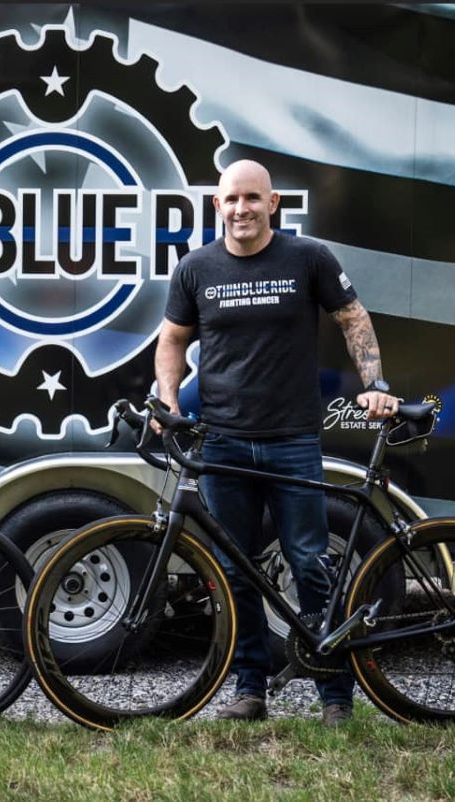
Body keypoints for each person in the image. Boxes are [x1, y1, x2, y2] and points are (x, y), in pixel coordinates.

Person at [154, 159, 398, 726]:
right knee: (235, 572)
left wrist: (376, 386)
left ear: (273, 204)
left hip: (292, 439)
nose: (241, 209)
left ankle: (335, 696)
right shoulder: (195, 268)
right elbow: (171, 340)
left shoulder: (307, 257)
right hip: (223, 442)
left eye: (252, 198)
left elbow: (352, 317)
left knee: (309, 562)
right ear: (216, 206)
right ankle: (250, 690)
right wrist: (169, 400)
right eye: (231, 199)